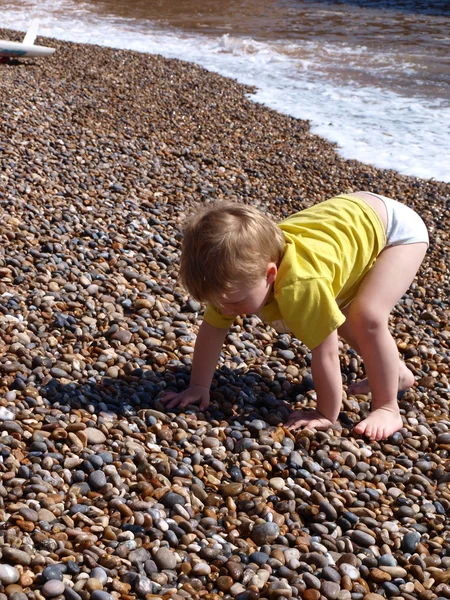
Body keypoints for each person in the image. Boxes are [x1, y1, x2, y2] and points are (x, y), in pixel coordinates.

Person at [162, 192, 428, 440]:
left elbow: (326, 352)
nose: (226, 310)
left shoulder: (300, 285)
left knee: (366, 317)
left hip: (395, 230)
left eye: (234, 302)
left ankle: (387, 406)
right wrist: (198, 386)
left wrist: (325, 413)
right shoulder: (230, 283)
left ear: (270, 275)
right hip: (353, 221)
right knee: (340, 314)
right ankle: (396, 374)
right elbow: (212, 331)